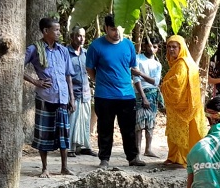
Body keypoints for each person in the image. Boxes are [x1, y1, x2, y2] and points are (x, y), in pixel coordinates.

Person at [86, 14, 146, 168]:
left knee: (129, 129)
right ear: (106, 28)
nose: (116, 32)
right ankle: (104, 159)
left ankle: (133, 157)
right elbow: (90, 69)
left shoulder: (128, 45)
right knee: (105, 128)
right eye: (113, 29)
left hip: (127, 94)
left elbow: (133, 67)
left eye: (119, 29)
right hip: (104, 95)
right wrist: (99, 82)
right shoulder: (96, 46)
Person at [23, 17, 75, 178]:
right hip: (45, 97)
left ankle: (64, 167)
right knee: (43, 133)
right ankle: (45, 168)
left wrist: (71, 98)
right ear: (46, 31)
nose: (59, 32)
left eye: (59, 29)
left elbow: (68, 76)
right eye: (56, 30)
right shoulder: (34, 49)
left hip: (62, 97)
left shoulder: (63, 50)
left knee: (63, 133)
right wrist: (35, 81)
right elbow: (16, 66)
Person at [160, 35, 208, 168]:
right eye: (169, 47)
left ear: (181, 48)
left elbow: (177, 84)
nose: (171, 50)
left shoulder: (182, 64)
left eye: (174, 47)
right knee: (182, 131)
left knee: (183, 132)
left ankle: (182, 158)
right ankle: (176, 157)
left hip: (183, 106)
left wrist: (163, 85)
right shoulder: (185, 62)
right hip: (188, 105)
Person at [67, 26, 97, 158]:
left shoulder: (86, 53)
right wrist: (70, 97)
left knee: (85, 120)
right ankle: (70, 148)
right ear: (72, 37)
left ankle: (84, 147)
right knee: (72, 120)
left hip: (85, 91)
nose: (81, 39)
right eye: (79, 36)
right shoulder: (65, 53)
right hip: (72, 92)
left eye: (83, 36)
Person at [131, 36, 163, 158]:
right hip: (140, 93)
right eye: (149, 46)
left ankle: (148, 149)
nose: (151, 48)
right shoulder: (137, 59)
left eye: (154, 46)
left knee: (150, 123)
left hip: (153, 94)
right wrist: (143, 97)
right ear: (144, 46)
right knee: (139, 123)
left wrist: (140, 73)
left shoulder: (157, 64)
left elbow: (156, 82)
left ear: (157, 48)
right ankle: (137, 151)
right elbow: (136, 79)